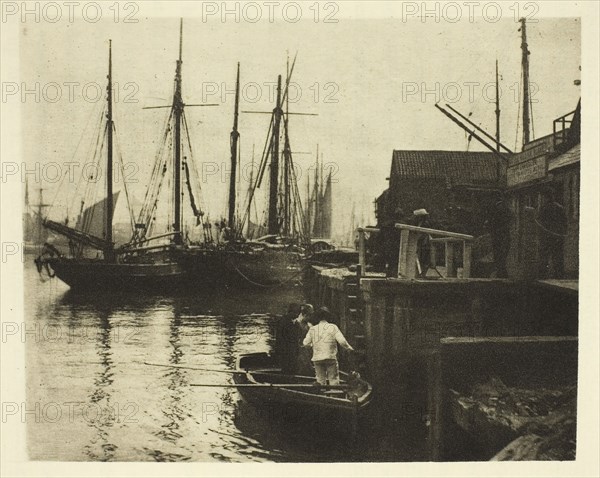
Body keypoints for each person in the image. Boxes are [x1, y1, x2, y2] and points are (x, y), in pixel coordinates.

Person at [302, 306, 354, 386]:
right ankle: (334, 396)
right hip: (330, 357)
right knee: (333, 379)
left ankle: (322, 396)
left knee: (320, 380)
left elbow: (305, 343)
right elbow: (342, 341)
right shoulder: (333, 327)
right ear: (328, 317)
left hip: (317, 358)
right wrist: (349, 348)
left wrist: (312, 345)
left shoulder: (313, 329)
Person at [536, 187, 568, 279]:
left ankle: (542, 277)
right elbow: (565, 223)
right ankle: (559, 276)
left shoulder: (543, 208)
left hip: (546, 237)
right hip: (558, 237)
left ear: (545, 197)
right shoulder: (560, 208)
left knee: (544, 257)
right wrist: (562, 234)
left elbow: (539, 223)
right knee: (558, 257)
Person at [486, 193, 513, 278]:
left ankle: (501, 273)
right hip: (504, 234)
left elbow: (491, 222)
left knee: (498, 254)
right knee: (503, 254)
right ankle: (502, 273)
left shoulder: (496, 209)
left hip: (498, 235)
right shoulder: (507, 208)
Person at [274, 303, 302, 375]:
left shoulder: (296, 323)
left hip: (293, 350)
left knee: (294, 368)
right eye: (296, 313)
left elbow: (298, 337)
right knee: (287, 369)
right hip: (285, 351)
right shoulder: (283, 322)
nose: (298, 315)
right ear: (291, 312)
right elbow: (280, 338)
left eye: (298, 313)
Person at [410, 209, 433, 278]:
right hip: (421, 242)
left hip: (424, 243)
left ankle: (422, 274)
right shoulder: (419, 223)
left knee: (424, 258)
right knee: (420, 258)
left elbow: (423, 234)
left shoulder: (425, 223)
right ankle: (419, 274)